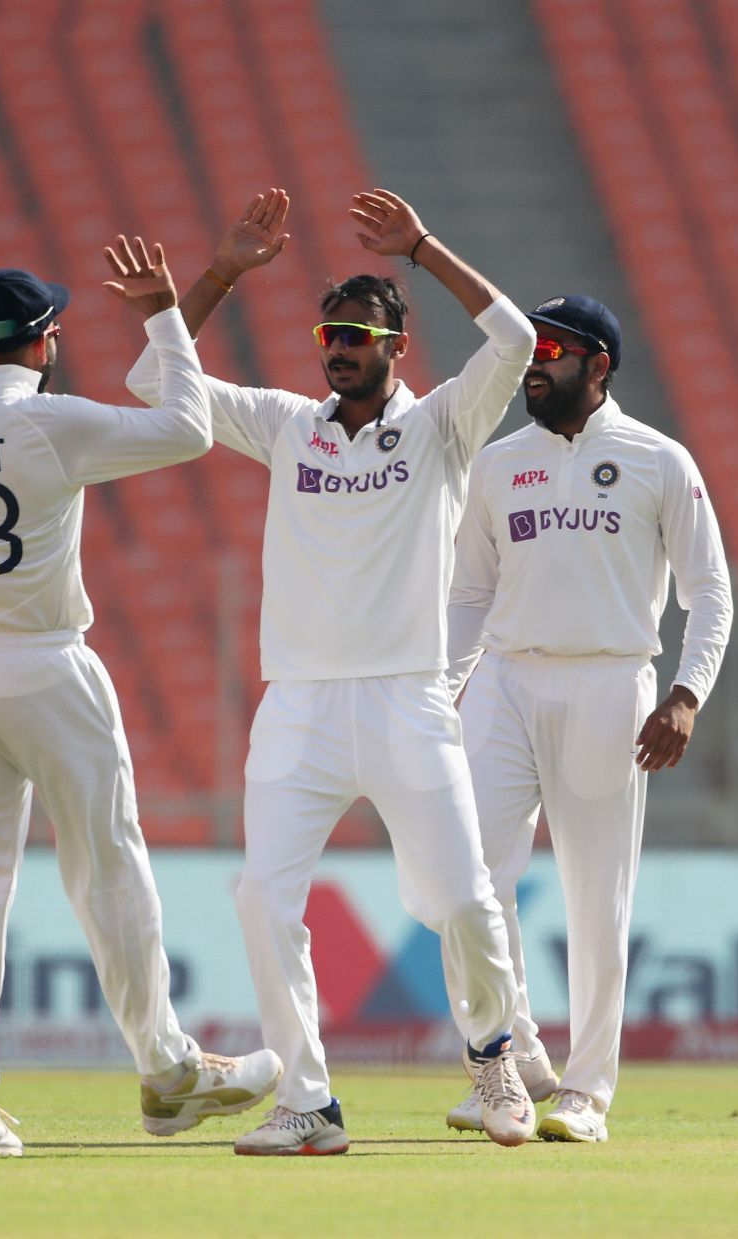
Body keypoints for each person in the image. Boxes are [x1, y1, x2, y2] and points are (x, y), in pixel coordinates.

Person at [127, 188, 539, 1154]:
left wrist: (425, 249)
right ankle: (308, 1103)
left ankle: (493, 1060)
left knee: (466, 898)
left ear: (396, 345)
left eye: (358, 331)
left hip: (407, 697)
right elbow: (157, 380)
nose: (339, 345)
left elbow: (515, 342)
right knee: (263, 897)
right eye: (329, 332)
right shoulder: (286, 425)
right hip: (300, 703)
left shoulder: (442, 427)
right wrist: (220, 272)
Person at [0, 240, 281, 1157]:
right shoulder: (51, 424)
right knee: (108, 864)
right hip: (46, 662)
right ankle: (167, 1068)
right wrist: (161, 312)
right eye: (51, 332)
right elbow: (188, 428)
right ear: (43, 344)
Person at [444, 295, 733, 1143]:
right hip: (504, 679)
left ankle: (586, 1091)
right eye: (530, 350)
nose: (534, 365)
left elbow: (708, 590)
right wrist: (443, 685)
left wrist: (686, 693)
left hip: (612, 685)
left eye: (553, 352)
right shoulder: (500, 463)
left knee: (594, 900)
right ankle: (512, 1055)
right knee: (470, 886)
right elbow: (468, 592)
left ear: (598, 365)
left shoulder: (658, 459)